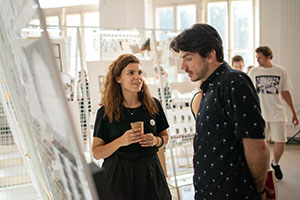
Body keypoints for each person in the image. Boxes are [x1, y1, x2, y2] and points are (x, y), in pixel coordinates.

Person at [170, 23, 270, 200]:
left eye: (188, 58)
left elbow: (257, 148)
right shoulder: (211, 87)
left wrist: (259, 190)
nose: (182, 67)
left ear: (210, 55)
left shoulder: (233, 81)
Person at [92, 54, 171, 200]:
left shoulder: (153, 105)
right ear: (118, 79)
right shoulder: (105, 112)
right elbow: (96, 152)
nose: (138, 77)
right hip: (118, 176)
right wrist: (121, 141)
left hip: (150, 174)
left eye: (140, 72)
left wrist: (155, 141)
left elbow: (165, 137)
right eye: (130, 73)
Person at [248, 46, 299, 180]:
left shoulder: (281, 71)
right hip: (260, 114)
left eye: (260, 58)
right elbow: (248, 93)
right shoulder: (253, 72)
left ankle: (275, 163)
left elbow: (286, 92)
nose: (257, 60)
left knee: (280, 142)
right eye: (256, 58)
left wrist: (294, 113)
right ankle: (265, 170)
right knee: (263, 144)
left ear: (269, 57)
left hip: (278, 113)